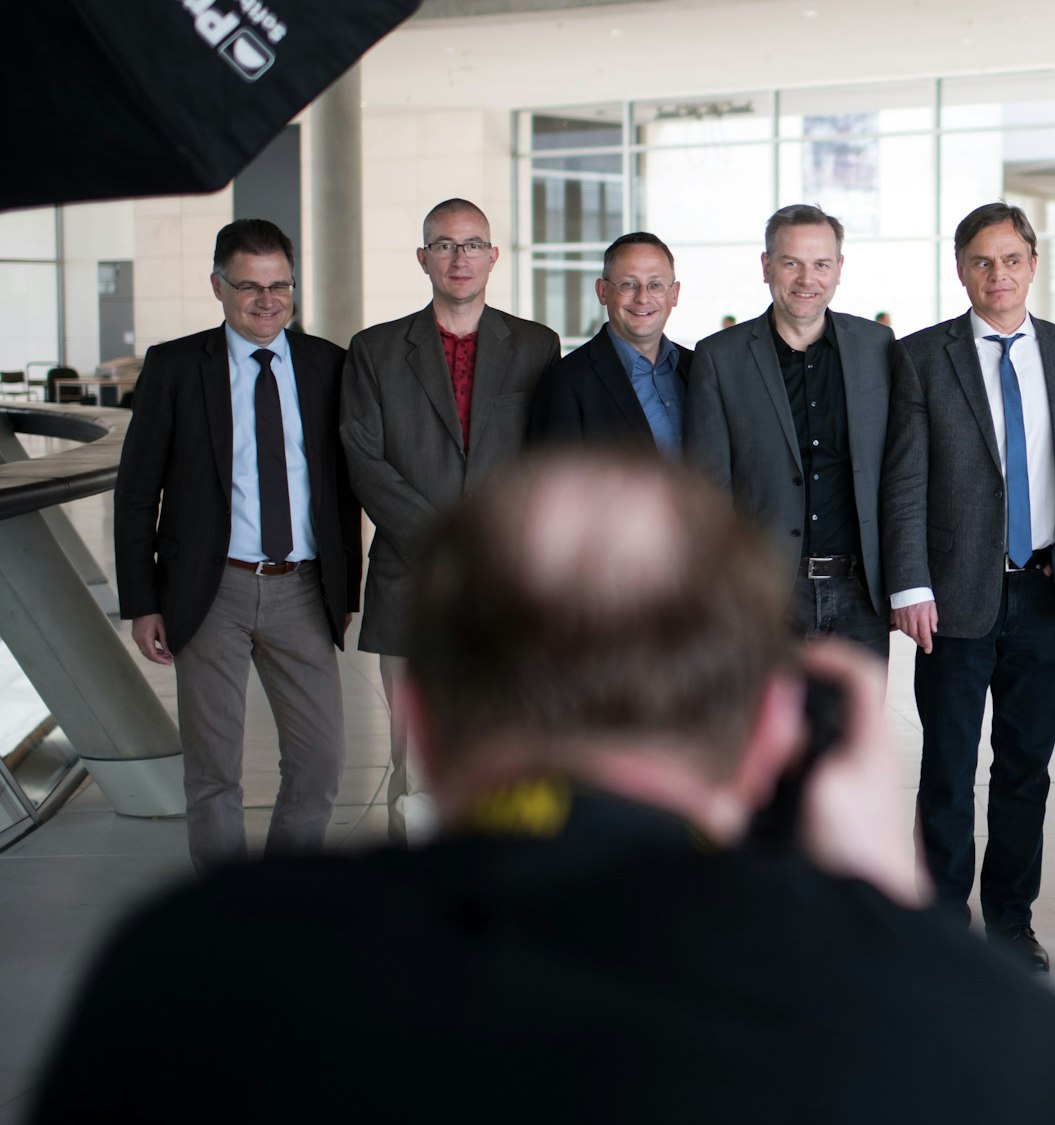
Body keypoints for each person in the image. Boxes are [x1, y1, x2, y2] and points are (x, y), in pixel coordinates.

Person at [33, 449, 1055, 1125]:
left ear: (420, 717)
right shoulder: (971, 1042)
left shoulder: (189, 976)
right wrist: (888, 929)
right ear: (772, 727)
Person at [883, 203, 1055, 972]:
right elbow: (905, 481)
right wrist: (909, 582)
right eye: (982, 261)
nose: (998, 274)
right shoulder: (921, 357)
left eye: (1011, 258)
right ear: (961, 269)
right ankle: (945, 928)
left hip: (1044, 589)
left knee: (1026, 769)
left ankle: (1010, 924)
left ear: (1033, 263)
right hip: (951, 597)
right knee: (947, 767)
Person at [111, 219, 360, 875]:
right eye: (249, 285)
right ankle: (224, 919)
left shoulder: (327, 364)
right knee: (214, 769)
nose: (267, 300)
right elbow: (137, 492)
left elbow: (341, 490)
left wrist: (348, 591)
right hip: (209, 589)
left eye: (280, 285)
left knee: (321, 759)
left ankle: (278, 899)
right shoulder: (173, 366)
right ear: (218, 285)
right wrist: (141, 601)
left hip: (302, 589)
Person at [340, 197, 560, 845]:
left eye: (472, 244)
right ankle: (416, 910)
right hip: (412, 582)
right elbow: (365, 460)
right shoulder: (375, 351)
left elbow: (547, 461)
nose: (458, 258)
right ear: (423, 258)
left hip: (507, 584)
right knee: (417, 764)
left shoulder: (536, 346)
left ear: (494, 256)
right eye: (443, 244)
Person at [684, 204, 896, 658]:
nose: (807, 279)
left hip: (861, 594)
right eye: (791, 263)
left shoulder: (878, 348)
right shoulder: (720, 358)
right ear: (766, 267)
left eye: (821, 264)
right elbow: (708, 490)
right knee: (768, 729)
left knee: (853, 729)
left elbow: (902, 472)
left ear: (839, 269)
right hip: (765, 597)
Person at [525, 232, 693, 453]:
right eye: (628, 284)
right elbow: (557, 483)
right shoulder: (565, 382)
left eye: (655, 285)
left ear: (674, 294)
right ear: (602, 292)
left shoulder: (699, 368)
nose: (642, 297)